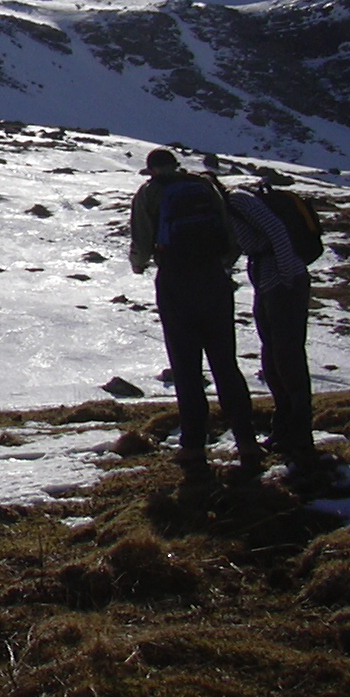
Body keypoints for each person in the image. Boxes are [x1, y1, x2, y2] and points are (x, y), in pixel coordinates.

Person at [128, 147, 263, 481]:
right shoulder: (204, 187)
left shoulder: (149, 193)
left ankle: (193, 447)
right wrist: (222, 264)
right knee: (225, 363)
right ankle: (246, 442)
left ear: (152, 170)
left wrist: (139, 264)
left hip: (175, 281)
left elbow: (142, 242)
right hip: (214, 280)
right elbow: (230, 236)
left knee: (186, 366)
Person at [226, 182, 320, 480]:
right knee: (273, 356)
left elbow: (277, 230)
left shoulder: (238, 200)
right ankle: (284, 428)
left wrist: (288, 273)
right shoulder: (225, 208)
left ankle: (300, 435)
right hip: (267, 281)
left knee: (287, 356)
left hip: (283, 281)